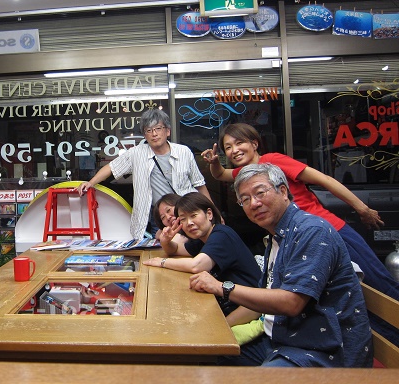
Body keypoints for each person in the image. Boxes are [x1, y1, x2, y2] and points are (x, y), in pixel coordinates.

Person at [190, 163, 373, 367]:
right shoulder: (277, 236)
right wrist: (219, 328)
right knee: (199, 354)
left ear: (283, 191)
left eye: (260, 193)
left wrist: (221, 287)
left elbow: (291, 303)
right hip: (279, 340)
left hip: (320, 350)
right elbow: (261, 304)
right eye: (245, 199)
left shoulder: (311, 231)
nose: (254, 203)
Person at [201, 123, 399, 305]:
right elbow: (220, 174)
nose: (234, 150)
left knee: (380, 285)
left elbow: (324, 180)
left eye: (239, 143)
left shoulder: (272, 161)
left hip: (330, 231)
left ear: (254, 144)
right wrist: (214, 162)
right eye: (228, 147)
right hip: (300, 238)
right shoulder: (248, 173)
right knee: (345, 293)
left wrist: (362, 209)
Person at [77, 108, 211, 238]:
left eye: (158, 128)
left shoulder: (184, 152)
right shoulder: (136, 153)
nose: (154, 134)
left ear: (168, 131)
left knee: (191, 247)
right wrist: (90, 183)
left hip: (186, 213)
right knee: (162, 248)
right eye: (149, 130)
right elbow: (111, 168)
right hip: (160, 217)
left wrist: (213, 212)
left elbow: (199, 185)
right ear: (145, 135)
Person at [144, 192, 261, 316]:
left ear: (209, 214)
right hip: (228, 302)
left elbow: (197, 265)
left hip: (250, 306)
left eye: (193, 215)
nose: (189, 223)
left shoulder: (221, 234)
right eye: (183, 219)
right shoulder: (203, 239)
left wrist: (162, 262)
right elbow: (175, 250)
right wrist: (165, 241)